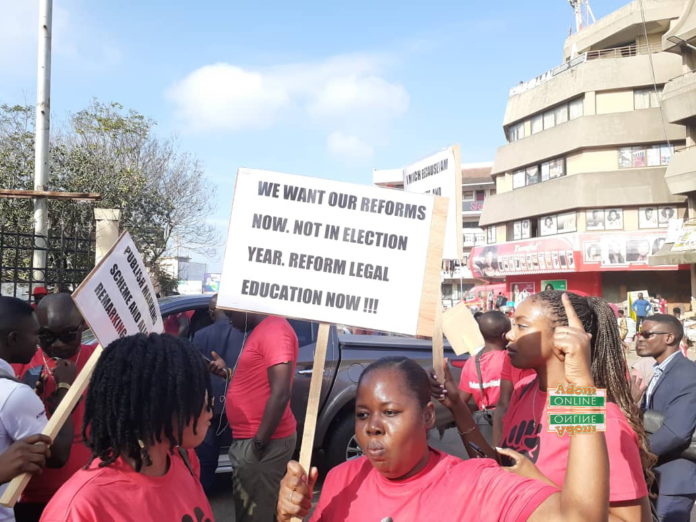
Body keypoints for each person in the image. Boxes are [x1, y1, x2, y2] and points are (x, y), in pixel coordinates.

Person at [278, 346, 611, 521]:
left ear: (427, 416)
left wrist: (581, 390)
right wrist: (286, 517)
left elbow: (580, 518)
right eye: (362, 414)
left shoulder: (477, 484)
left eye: (390, 412)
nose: (372, 426)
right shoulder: (341, 480)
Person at [435, 291, 653, 520]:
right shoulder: (525, 390)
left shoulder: (591, 413)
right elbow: (499, 469)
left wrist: (538, 485)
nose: (509, 335)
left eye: (522, 325)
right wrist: (458, 408)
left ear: (563, 338)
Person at [40, 333, 214, 521]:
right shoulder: (81, 508)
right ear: (157, 406)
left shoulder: (184, 461)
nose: (210, 406)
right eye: (197, 394)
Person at [12, 294, 97, 522]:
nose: (58, 344)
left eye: (69, 335)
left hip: (89, 492)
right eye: (47, 336)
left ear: (84, 326)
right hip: (32, 496)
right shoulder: (21, 363)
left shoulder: (100, 358)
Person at [211, 313, 298, 522]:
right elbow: (258, 378)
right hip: (253, 440)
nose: (226, 317)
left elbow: (281, 393)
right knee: (253, 511)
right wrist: (227, 373)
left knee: (254, 515)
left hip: (262, 443)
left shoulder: (275, 329)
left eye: (230, 310)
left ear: (246, 306)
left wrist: (258, 444)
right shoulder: (264, 330)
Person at [0, 297, 73, 522]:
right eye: (37, 335)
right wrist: (64, 388)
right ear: (13, 338)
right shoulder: (13, 394)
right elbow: (57, 454)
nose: (40, 344)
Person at [636, 314, 696, 521]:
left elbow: (677, 432)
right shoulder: (662, 370)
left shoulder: (687, 373)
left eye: (646, 334)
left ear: (669, 338)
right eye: (638, 334)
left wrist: (637, 456)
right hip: (657, 476)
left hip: (674, 479)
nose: (639, 338)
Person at [191, 293, 244, 493]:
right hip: (238, 408)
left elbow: (194, 372)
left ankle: (202, 496)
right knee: (240, 459)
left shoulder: (200, 335)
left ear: (212, 312)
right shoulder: (246, 335)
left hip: (210, 408)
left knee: (205, 461)